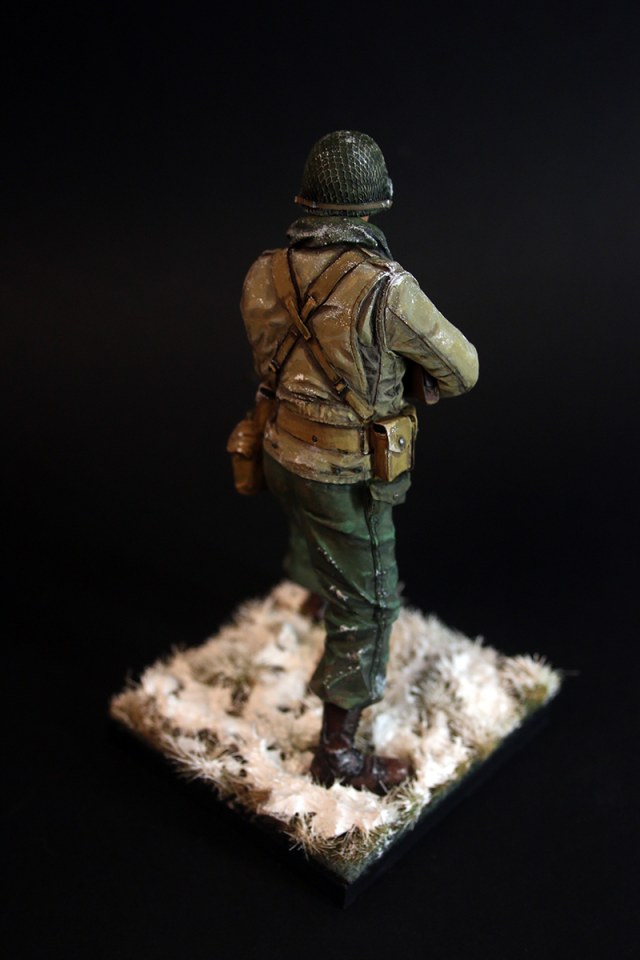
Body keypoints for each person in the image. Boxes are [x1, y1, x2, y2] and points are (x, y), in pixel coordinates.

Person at [237, 130, 478, 794]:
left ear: (305, 200)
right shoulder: (387, 289)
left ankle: (311, 593)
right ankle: (337, 754)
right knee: (371, 606)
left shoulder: (263, 271)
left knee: (306, 523)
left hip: (279, 447)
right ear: (375, 204)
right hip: (343, 472)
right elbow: (462, 369)